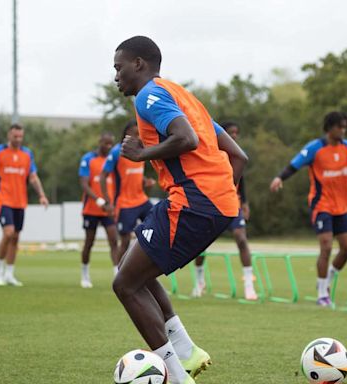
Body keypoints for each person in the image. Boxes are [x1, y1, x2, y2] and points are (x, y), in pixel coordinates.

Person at [112, 36, 248, 384]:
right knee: (135, 267)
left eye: (119, 67)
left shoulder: (149, 96)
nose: (116, 77)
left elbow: (184, 138)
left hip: (193, 202)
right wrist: (219, 198)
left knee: (125, 285)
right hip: (213, 202)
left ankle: (176, 376)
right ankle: (186, 352)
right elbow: (239, 156)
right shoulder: (184, 97)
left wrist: (141, 155)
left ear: (139, 64)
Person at [270, 111, 347, 306]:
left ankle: (329, 277)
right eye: (339, 126)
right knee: (326, 246)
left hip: (341, 207)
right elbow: (294, 165)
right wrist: (279, 178)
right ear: (329, 128)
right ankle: (322, 294)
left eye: (345, 127)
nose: (343, 130)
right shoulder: (315, 148)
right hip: (321, 205)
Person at [192, 121, 257, 300]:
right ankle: (199, 281)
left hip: (232, 203)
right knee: (200, 245)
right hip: (212, 203)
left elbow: (240, 180)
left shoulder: (237, 154)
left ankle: (249, 285)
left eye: (236, 133)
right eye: (231, 133)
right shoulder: (212, 153)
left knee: (241, 238)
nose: (234, 136)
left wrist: (245, 202)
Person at [0, 123, 49, 286]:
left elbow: (32, 176)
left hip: (20, 201)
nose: (18, 139)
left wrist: (42, 195)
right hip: (3, 199)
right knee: (8, 232)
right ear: (9, 136)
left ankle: (9, 273)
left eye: (20, 136)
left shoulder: (27, 154)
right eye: (15, 136)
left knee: (16, 237)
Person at [99, 120, 156, 265]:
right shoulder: (118, 151)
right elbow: (103, 176)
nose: (138, 137)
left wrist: (145, 182)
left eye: (140, 134)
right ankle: (119, 275)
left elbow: (133, 174)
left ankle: (146, 269)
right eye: (135, 133)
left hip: (142, 200)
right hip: (125, 203)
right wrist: (107, 201)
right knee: (124, 241)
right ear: (127, 134)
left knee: (157, 226)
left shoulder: (141, 149)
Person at [78, 132, 119, 288]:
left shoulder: (112, 161)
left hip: (108, 209)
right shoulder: (88, 159)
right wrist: (99, 200)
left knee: (114, 240)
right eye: (106, 144)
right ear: (99, 142)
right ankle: (85, 273)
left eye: (111, 144)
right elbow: (84, 183)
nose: (108, 147)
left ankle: (117, 274)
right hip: (91, 209)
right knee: (89, 242)